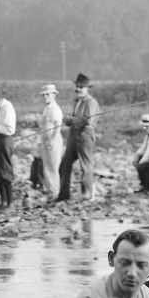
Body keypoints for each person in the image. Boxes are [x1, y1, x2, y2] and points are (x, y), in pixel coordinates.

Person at [56, 73, 101, 203]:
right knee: (64, 166)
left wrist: (72, 119)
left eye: (81, 87)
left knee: (85, 167)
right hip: (73, 136)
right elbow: (76, 119)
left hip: (85, 136)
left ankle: (87, 195)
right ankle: (63, 195)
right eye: (77, 86)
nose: (78, 89)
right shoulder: (77, 101)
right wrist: (68, 121)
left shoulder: (91, 102)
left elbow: (88, 120)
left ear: (87, 88)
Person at [34, 83, 63, 194]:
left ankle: (55, 191)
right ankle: (50, 189)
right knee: (47, 165)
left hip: (53, 141)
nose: (46, 97)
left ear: (54, 95)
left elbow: (57, 126)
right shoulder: (47, 108)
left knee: (53, 166)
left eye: (48, 94)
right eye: (44, 95)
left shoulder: (55, 109)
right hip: (46, 139)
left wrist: (51, 139)